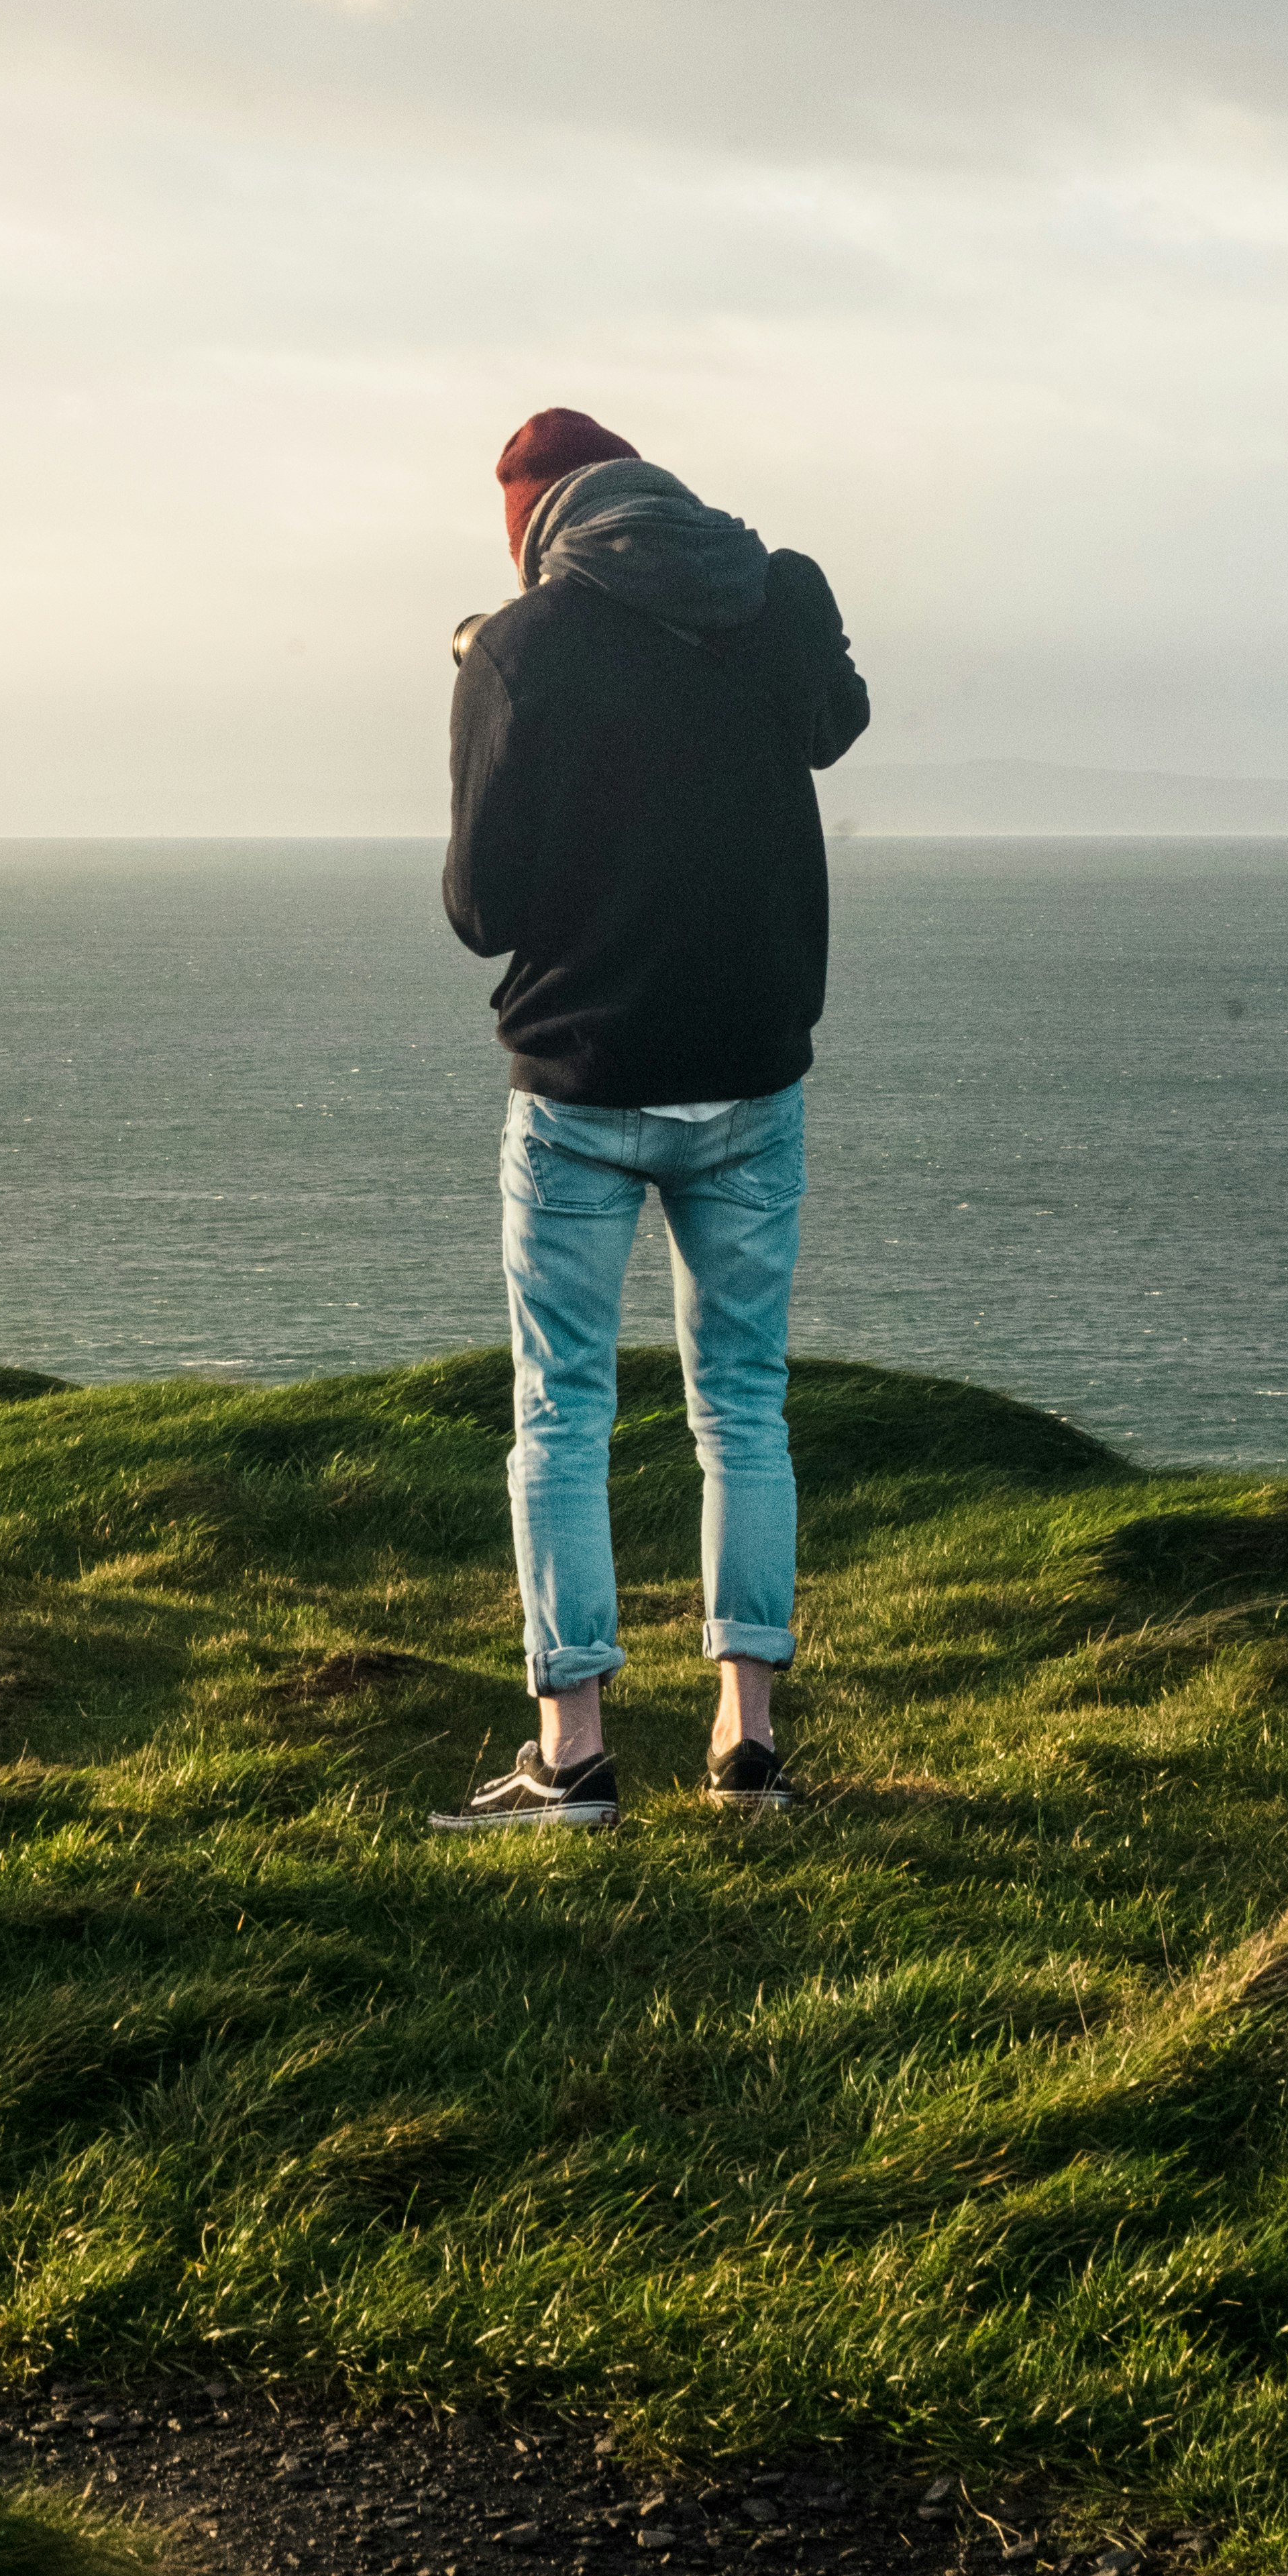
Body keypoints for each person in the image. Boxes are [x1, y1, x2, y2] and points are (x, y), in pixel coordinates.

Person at [429, 406, 868, 1831]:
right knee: (742, 1403)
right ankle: (747, 1747)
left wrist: (485, 688)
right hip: (749, 1072)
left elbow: (479, 906)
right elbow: (831, 721)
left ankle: (573, 1756)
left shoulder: (523, 644)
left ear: (534, 522)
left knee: (560, 1409)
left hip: (580, 1078)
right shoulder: (774, 588)